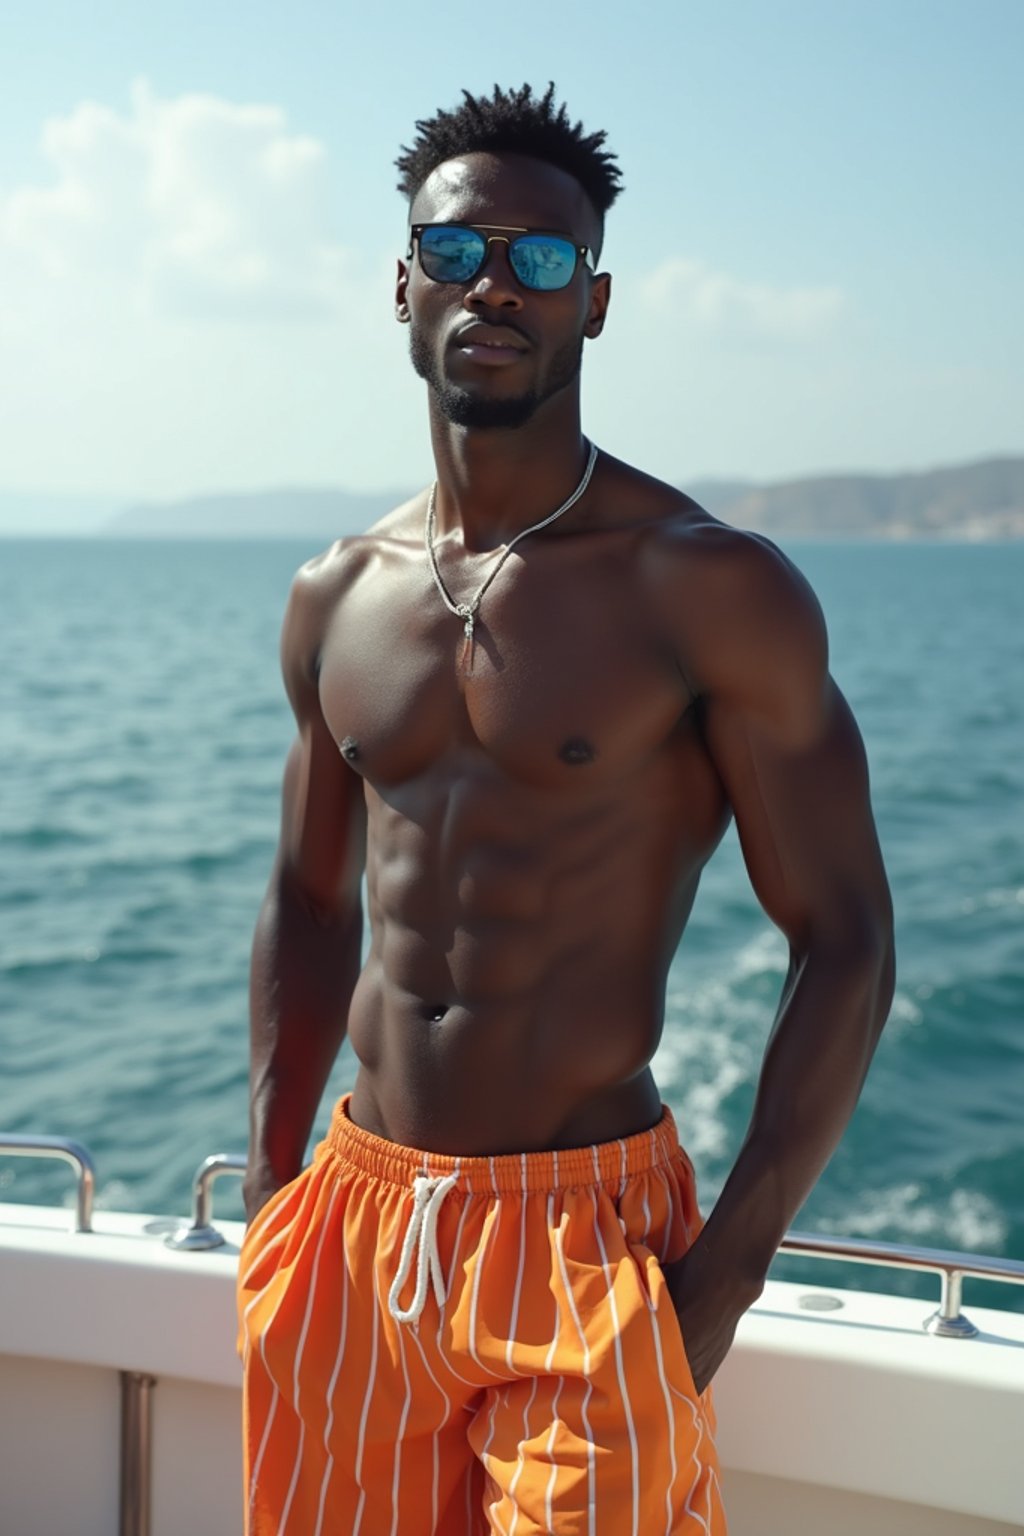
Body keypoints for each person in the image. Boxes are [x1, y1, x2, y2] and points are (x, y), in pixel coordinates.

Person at [237, 82, 895, 1536]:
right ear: (402, 283)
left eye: (542, 261)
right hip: (353, 1226)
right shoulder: (335, 596)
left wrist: (729, 1269)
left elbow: (846, 936)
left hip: (587, 1243)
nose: (496, 285)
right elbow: (305, 896)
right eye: (461, 250)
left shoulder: (706, 587)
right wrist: (273, 1183)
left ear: (593, 304)